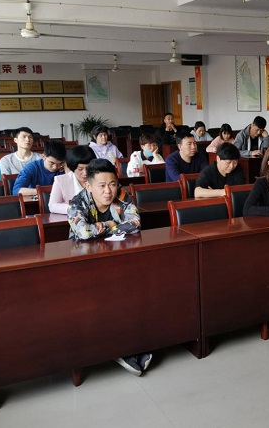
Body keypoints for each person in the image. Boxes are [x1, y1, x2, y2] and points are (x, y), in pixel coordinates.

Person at [67, 158, 150, 377]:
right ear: (89, 185)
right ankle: (120, 349)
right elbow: (83, 232)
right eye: (102, 185)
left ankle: (137, 343)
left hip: (119, 258)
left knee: (139, 289)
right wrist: (112, 224)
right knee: (109, 297)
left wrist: (103, 228)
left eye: (112, 184)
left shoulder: (122, 195)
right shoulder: (78, 202)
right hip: (85, 263)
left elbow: (135, 223)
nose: (108, 191)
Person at [49, 145, 97, 214]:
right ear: (72, 167)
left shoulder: (98, 178)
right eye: (80, 169)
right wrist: (77, 208)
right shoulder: (61, 180)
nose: (85, 173)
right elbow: (53, 206)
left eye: (89, 168)